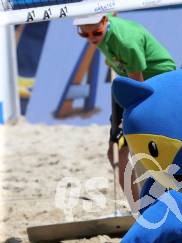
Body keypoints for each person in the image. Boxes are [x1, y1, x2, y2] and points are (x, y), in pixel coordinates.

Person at [74, 12, 176, 207]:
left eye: (95, 33)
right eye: (84, 35)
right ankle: (138, 211)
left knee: (126, 148)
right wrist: (116, 129)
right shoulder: (103, 30)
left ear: (104, 22)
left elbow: (137, 90)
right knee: (116, 149)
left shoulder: (126, 42)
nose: (91, 39)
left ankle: (146, 209)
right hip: (129, 84)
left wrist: (122, 125)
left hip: (158, 85)